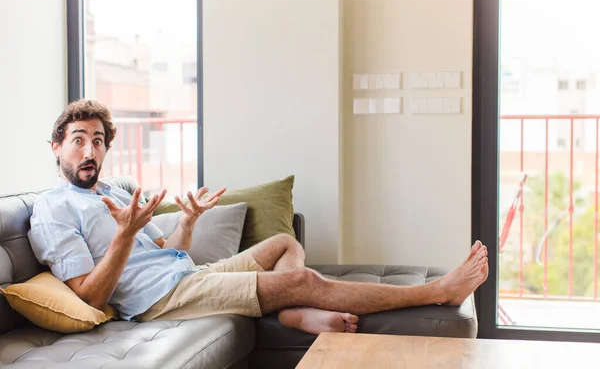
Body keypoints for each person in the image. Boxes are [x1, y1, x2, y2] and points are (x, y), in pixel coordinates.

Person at [28, 99, 489, 335]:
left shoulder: (112, 189)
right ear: (56, 147)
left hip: (186, 275)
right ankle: (437, 291)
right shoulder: (53, 209)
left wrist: (186, 222)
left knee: (283, 245)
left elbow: (168, 255)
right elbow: (89, 297)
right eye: (78, 140)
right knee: (304, 277)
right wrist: (124, 238)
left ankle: (292, 316)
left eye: (98, 141)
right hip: (158, 304)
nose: (90, 152)